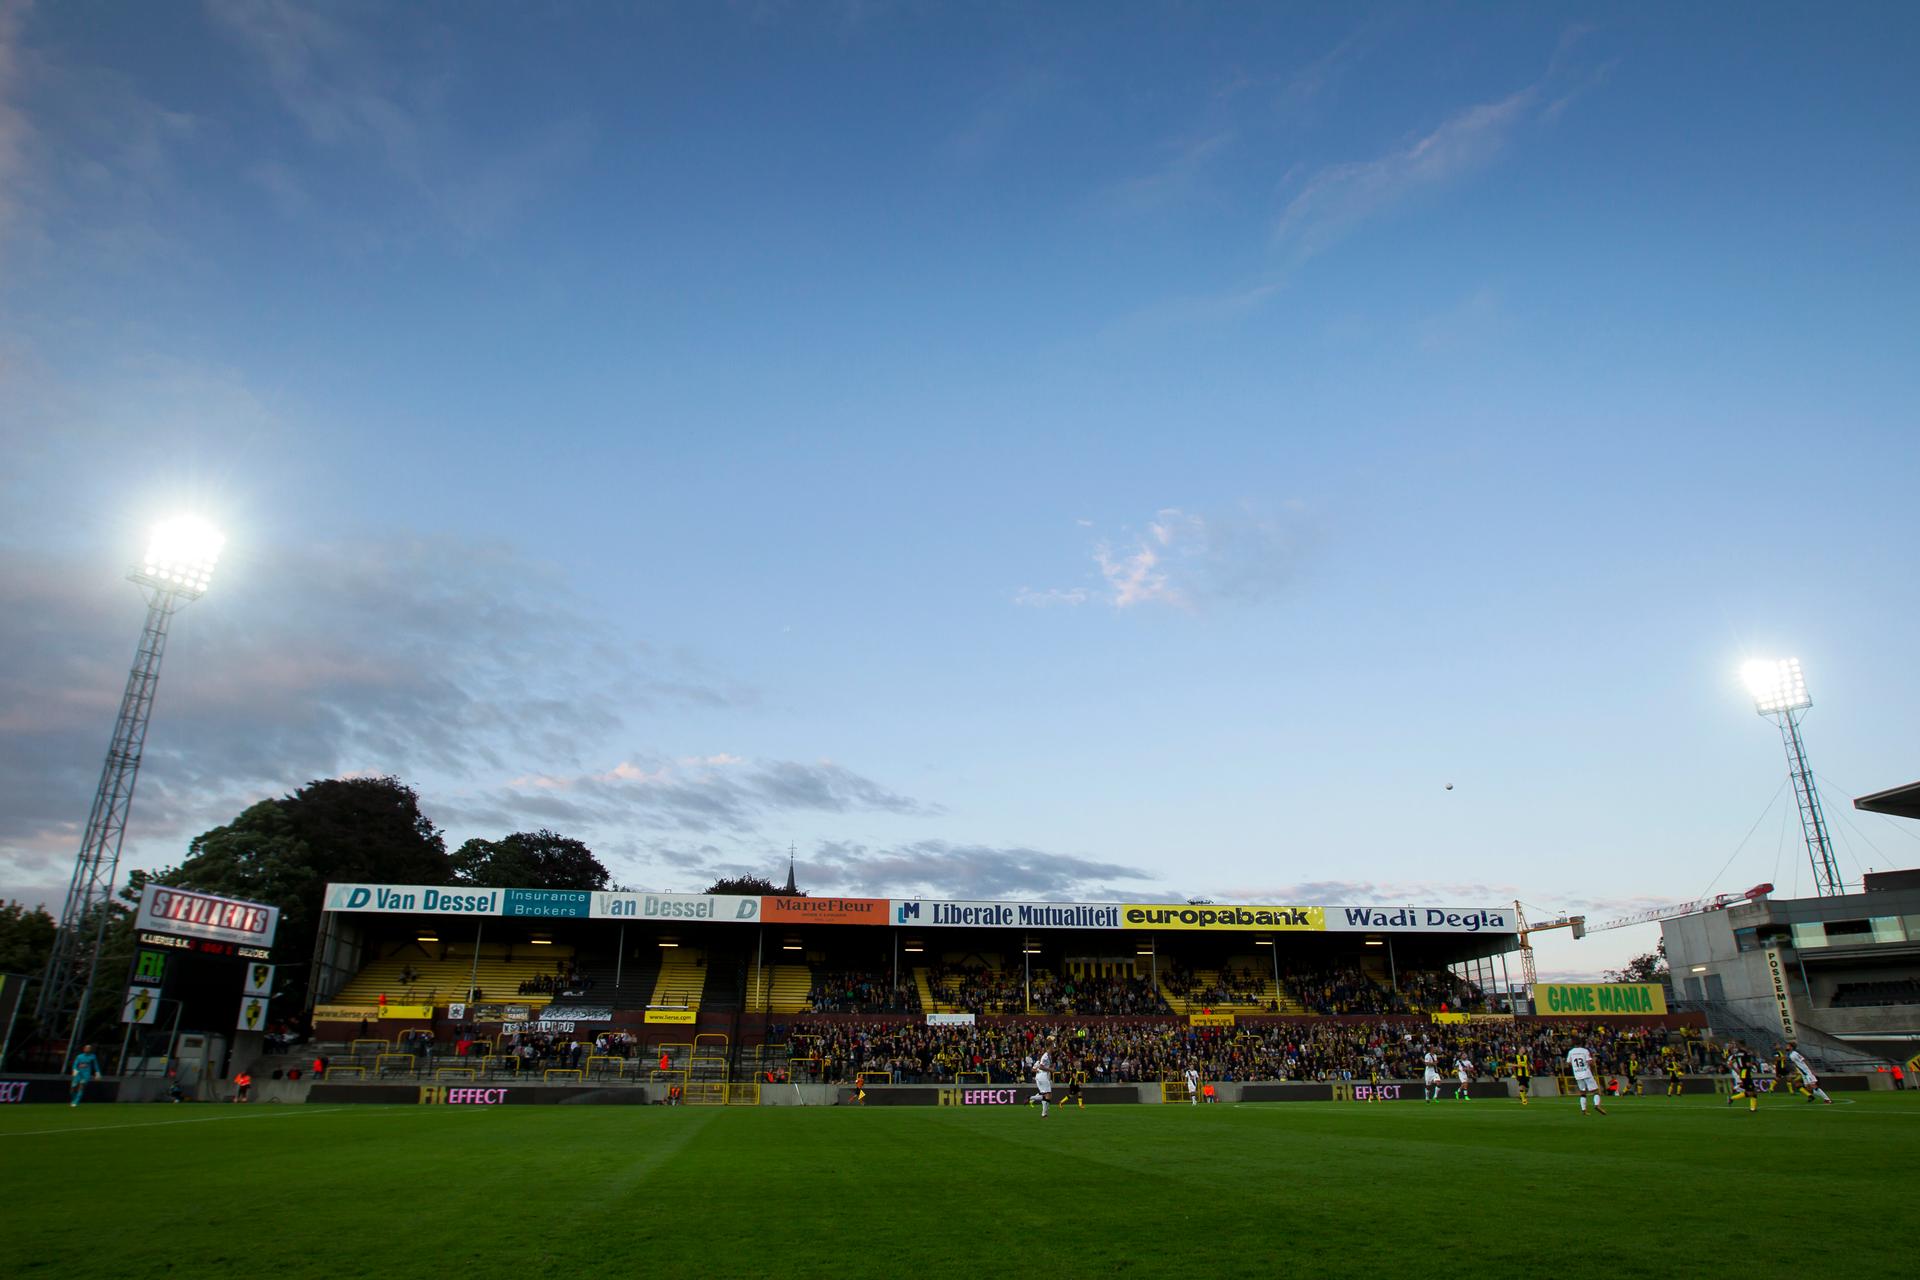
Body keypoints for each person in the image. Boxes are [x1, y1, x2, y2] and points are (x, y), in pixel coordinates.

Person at [1567, 1042, 1606, 1115]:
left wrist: (1575, 1066)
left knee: (1582, 1093)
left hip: (1577, 1074)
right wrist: (1593, 1060)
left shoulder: (1571, 1052)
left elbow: (1568, 1063)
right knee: (1596, 1091)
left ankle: (1584, 1110)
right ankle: (1597, 1105)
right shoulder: (1584, 1051)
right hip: (1586, 1073)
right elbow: (1590, 1062)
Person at [1725, 1044, 1759, 1113]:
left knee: (1752, 1091)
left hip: (1742, 1073)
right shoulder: (1738, 1055)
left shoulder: (1736, 1055)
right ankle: (1732, 1096)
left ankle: (1753, 1108)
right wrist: (1737, 1071)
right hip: (1741, 1073)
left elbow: (1731, 1064)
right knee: (1750, 1092)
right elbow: (1730, 1064)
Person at [1030, 1037, 1055, 1118]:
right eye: (1053, 1046)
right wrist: (1050, 1069)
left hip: (1043, 1076)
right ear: (1049, 1047)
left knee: (1048, 1095)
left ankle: (1031, 1098)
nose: (1053, 1047)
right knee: (1047, 1095)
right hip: (1042, 1076)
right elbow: (1040, 1067)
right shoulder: (1045, 1056)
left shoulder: (1048, 1055)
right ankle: (1044, 1114)